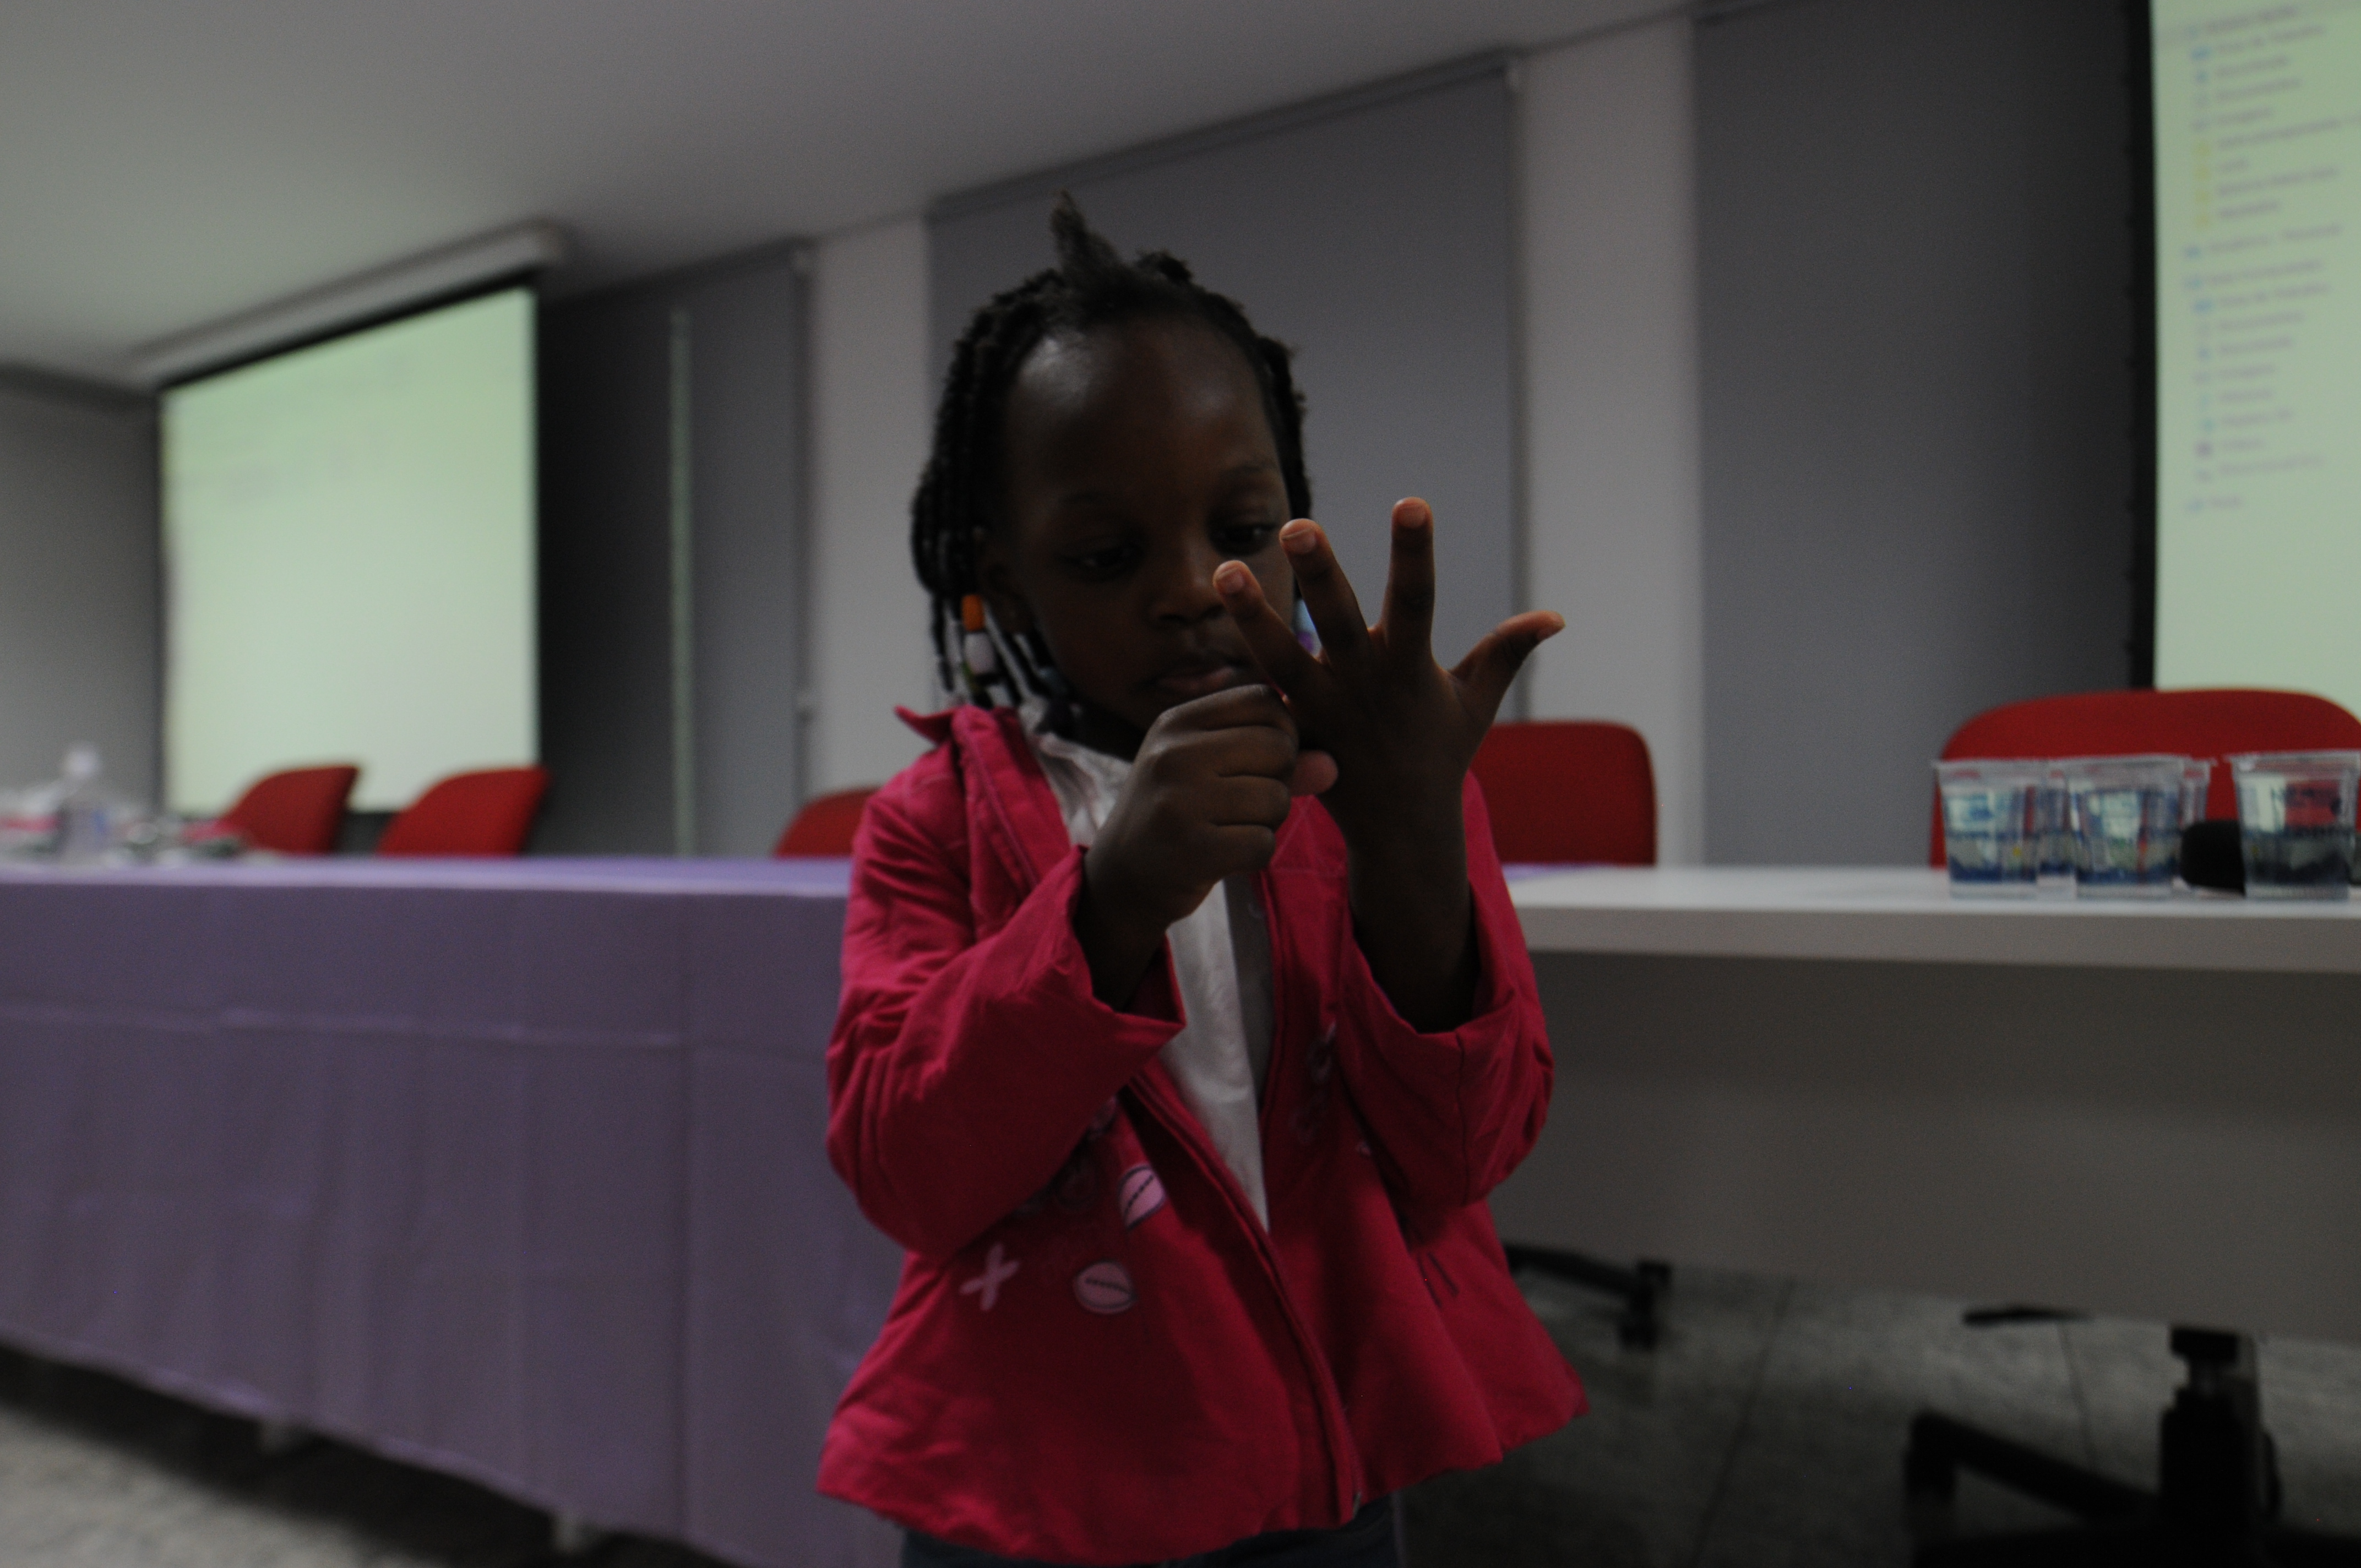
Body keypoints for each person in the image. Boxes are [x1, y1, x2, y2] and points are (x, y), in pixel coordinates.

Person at [819, 197, 1584, 1568]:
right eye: (1105, 556)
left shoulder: (1378, 785)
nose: (1187, 584)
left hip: (1317, 1468)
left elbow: (1468, 1152)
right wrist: (1106, 900)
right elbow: (904, 1172)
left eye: (1236, 523)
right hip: (1028, 1485)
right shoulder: (930, 821)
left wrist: (1410, 839)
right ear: (1005, 579)